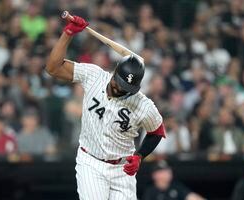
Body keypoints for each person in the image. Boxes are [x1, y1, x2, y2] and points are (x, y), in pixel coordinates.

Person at [46, 15, 165, 200]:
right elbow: (53, 68)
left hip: (122, 168)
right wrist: (68, 33)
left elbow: (157, 131)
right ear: (115, 73)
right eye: (120, 85)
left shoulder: (142, 104)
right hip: (91, 162)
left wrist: (140, 156)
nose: (122, 91)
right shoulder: (94, 76)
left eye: (128, 89)